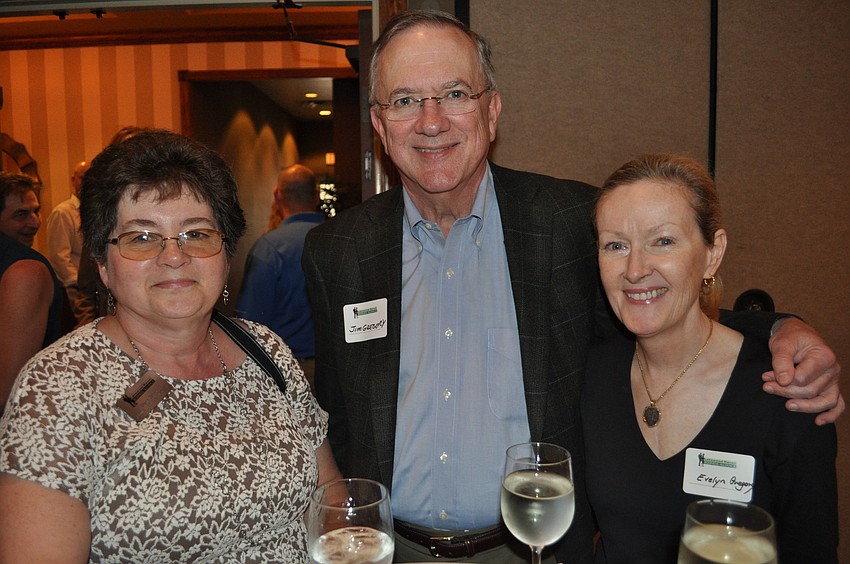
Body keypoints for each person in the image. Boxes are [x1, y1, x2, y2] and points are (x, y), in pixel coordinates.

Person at [302, 10, 843, 564]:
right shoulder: (337, 252)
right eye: (405, 100)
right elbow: (338, 414)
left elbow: (652, 298)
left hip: (536, 546)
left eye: (455, 93)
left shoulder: (568, 223)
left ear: (492, 111)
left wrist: (779, 327)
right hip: (393, 550)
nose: (431, 121)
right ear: (378, 121)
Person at [0, 130, 340, 562]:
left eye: (196, 234)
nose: (174, 256)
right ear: (103, 265)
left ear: (226, 253)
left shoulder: (266, 350)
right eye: (141, 238)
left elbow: (329, 494)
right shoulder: (57, 386)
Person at [581, 154, 837, 562]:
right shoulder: (591, 372)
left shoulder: (786, 394)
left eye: (663, 241)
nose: (634, 269)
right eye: (616, 245)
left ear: (712, 254)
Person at [236, 164, 324, 388]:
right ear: (317, 195)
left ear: (277, 195)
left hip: (287, 373)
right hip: (337, 373)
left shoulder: (269, 248)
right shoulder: (342, 241)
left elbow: (250, 325)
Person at [0, 172, 68, 410]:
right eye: (21, 215)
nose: (35, 222)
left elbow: (8, 390)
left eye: (35, 211)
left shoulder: (25, 271)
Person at [44, 160, 90, 325]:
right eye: (83, 177)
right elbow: (59, 258)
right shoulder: (63, 213)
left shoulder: (94, 211)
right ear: (73, 180)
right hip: (74, 293)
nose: (87, 182)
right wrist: (79, 285)